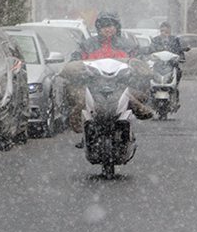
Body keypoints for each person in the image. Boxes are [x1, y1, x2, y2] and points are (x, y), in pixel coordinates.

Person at [61, 11, 154, 147]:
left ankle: (137, 110)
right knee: (81, 100)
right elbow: (76, 60)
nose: (108, 29)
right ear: (98, 28)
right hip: (93, 85)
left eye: (111, 25)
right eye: (104, 26)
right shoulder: (87, 45)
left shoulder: (128, 45)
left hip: (120, 84)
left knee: (130, 96)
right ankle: (81, 130)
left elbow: (138, 61)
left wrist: (136, 70)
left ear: (117, 27)